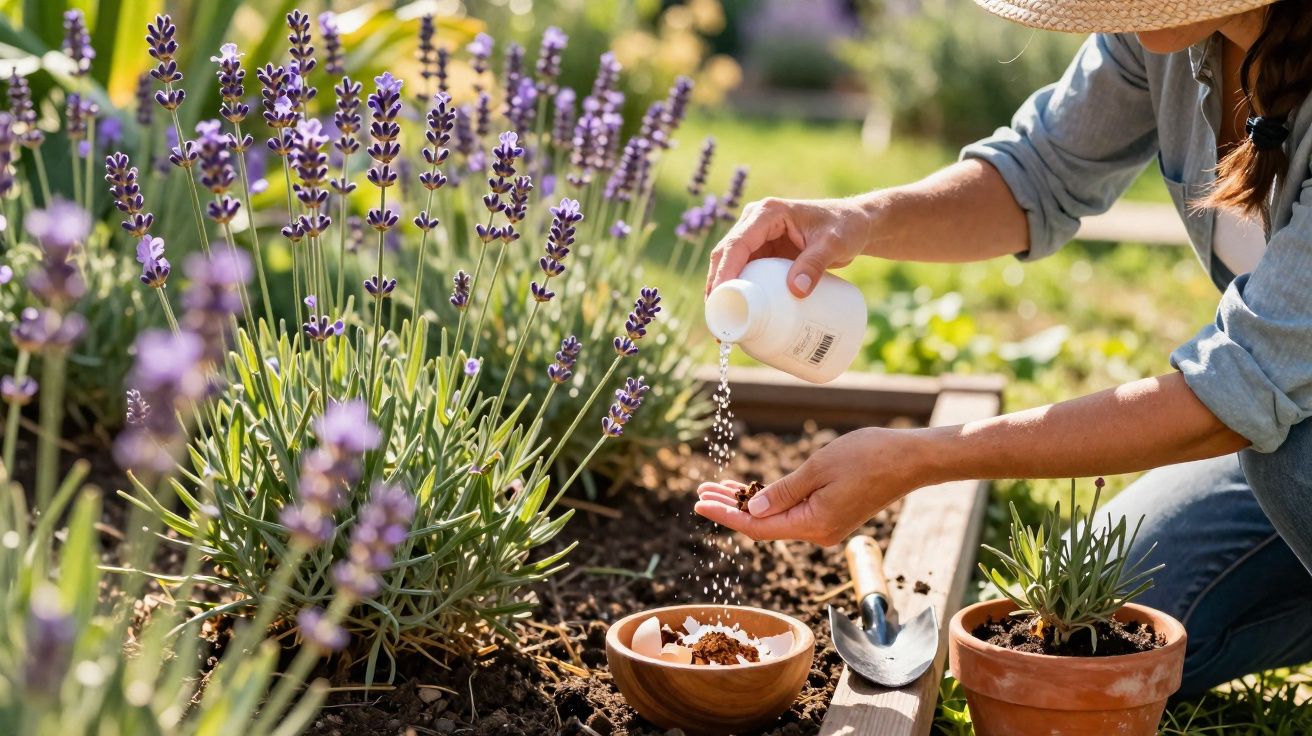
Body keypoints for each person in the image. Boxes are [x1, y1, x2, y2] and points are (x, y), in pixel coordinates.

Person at [696, 0, 1312, 696]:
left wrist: (923, 457)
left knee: (1286, 457)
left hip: (1289, 441)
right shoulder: (1173, 36)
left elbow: (1232, 394)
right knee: (1095, 631)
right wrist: (859, 220)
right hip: (1286, 417)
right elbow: (1037, 172)